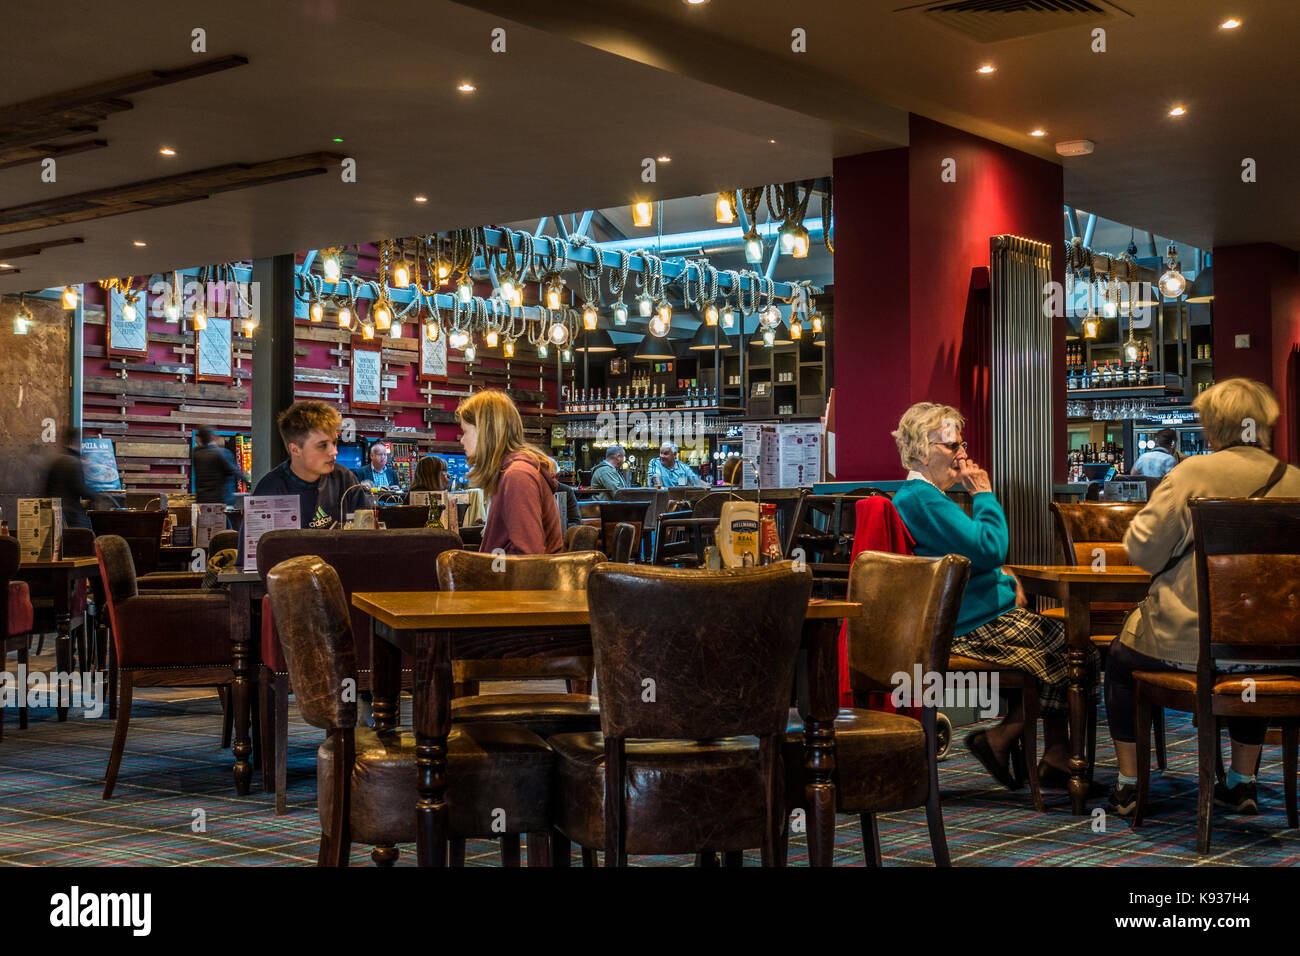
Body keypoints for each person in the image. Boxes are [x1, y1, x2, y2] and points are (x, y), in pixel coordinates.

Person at [1103, 378, 1300, 816]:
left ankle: (1130, 784)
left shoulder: (1191, 473)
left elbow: (1141, 550)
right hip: (1277, 654)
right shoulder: (1295, 482)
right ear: (1264, 425)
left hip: (1188, 647)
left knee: (1116, 662)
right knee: (1251, 657)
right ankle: (1243, 781)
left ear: (1211, 428)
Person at [889, 402, 1097, 790]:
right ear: (920, 451)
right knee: (1076, 646)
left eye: (962, 445)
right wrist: (984, 494)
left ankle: (1040, 749)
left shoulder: (925, 497)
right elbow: (989, 548)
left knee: (1064, 642)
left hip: (975, 617)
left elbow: (970, 557)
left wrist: (999, 573)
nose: (964, 455)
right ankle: (1020, 741)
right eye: (952, 447)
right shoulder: (922, 498)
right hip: (968, 625)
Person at [457, 389, 562, 555]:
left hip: (518, 580)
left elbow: (528, 557)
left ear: (485, 431)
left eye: (465, 431)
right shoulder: (513, 471)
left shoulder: (517, 475)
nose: (461, 440)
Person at [251, 401, 370, 529]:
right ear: (295, 449)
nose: (334, 451)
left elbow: (369, 536)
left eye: (334, 443)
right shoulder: (270, 489)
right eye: (323, 445)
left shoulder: (345, 479)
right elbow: (255, 548)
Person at [44, 427, 98, 530]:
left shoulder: (57, 461)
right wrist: (95, 495)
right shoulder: (73, 462)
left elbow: (47, 489)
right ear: (76, 441)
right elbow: (80, 488)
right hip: (71, 515)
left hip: (55, 512)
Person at [193, 426, 250, 506]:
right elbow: (236, 472)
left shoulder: (196, 454)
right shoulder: (222, 453)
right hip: (222, 500)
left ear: (200, 438)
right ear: (213, 437)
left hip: (202, 499)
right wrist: (249, 484)